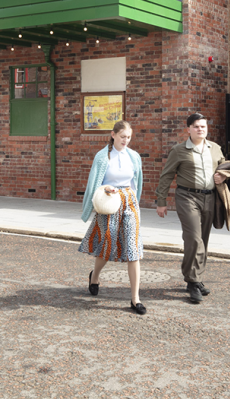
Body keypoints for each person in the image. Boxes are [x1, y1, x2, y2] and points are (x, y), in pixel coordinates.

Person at [155, 112, 226, 304]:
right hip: (187, 197)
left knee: (203, 240)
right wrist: (161, 201)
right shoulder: (179, 150)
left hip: (210, 198)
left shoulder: (215, 148)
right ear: (189, 129)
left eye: (203, 126)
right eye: (196, 126)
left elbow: (225, 168)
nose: (200, 129)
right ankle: (193, 281)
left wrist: (223, 176)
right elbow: (166, 175)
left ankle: (195, 278)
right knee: (194, 238)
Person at [79, 120, 146, 315]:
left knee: (133, 248)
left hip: (129, 202)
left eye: (129, 137)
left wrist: (135, 202)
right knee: (106, 245)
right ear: (113, 135)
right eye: (123, 136)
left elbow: (136, 182)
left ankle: (135, 299)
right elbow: (94, 183)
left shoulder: (134, 156)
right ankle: (95, 276)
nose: (126, 140)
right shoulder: (102, 156)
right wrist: (106, 188)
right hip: (109, 202)